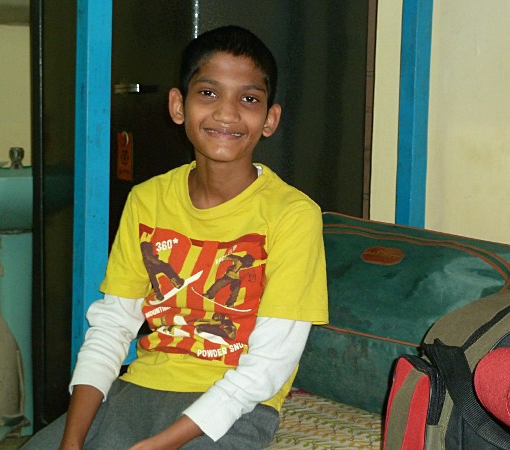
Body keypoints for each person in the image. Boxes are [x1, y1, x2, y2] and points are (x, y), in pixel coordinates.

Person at [23, 25, 328, 449]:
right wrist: (72, 440)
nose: (227, 113)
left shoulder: (293, 215)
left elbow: (268, 366)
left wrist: (162, 443)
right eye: (208, 93)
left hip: (234, 410)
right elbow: (113, 326)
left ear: (270, 119)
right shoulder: (147, 199)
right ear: (178, 105)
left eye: (248, 99)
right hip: (139, 389)